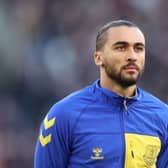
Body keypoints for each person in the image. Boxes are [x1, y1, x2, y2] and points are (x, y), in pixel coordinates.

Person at [34, 20, 168, 168]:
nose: (132, 56)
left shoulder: (163, 117)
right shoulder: (63, 115)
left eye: (138, 49)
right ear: (98, 58)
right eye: (121, 48)